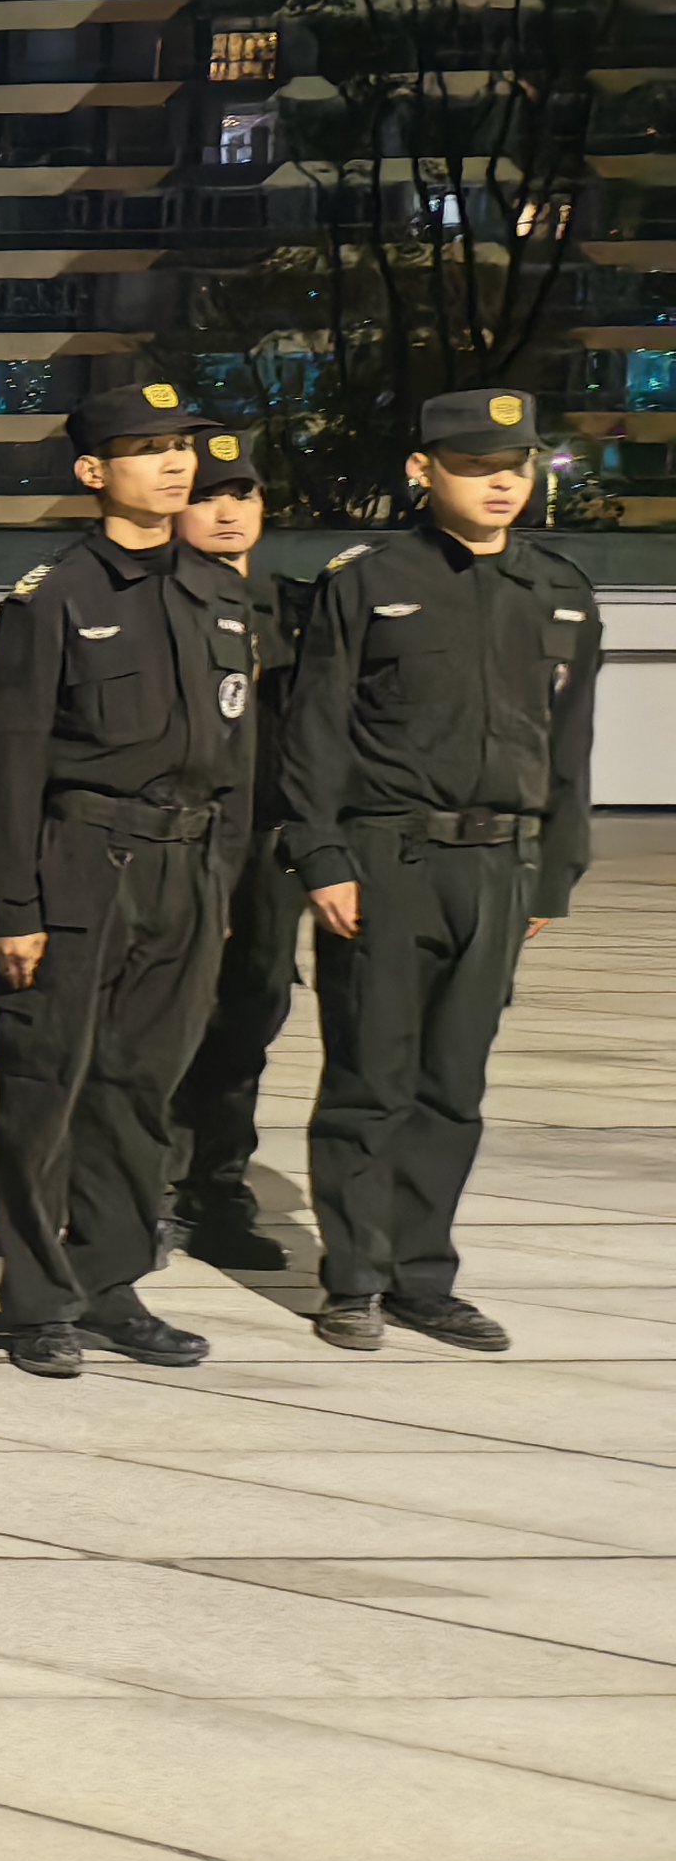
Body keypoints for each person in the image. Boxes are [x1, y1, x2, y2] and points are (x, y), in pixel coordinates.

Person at [281, 386, 601, 1353]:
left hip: (502, 864)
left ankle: (424, 1277)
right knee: (370, 1079)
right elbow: (315, 730)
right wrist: (322, 854)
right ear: (423, 471)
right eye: (475, 467)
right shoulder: (369, 580)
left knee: (454, 1086)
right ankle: (353, 1280)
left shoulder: (560, 589)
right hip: (391, 856)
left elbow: (570, 744)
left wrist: (555, 872)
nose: (501, 483)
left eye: (515, 466)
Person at [0, 382, 258, 1376]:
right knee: (48, 1084)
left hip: (189, 867)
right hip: (84, 859)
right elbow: (9, 761)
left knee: (143, 1085)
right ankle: (38, 1299)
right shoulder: (53, 597)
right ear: (94, 471)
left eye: (182, 446)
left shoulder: (223, 593)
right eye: (147, 449)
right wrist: (15, 905)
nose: (175, 464)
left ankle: (111, 1282)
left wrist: (223, 883)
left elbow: (239, 754)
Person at [163, 428, 300, 1269]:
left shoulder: (294, 610)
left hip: (268, 851)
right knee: (163, 1018)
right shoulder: (154, 602)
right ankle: (148, 1186)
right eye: (206, 496)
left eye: (241, 494)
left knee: (250, 1018)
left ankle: (218, 1188)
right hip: (179, 840)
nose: (226, 512)